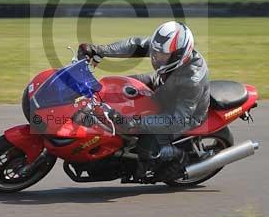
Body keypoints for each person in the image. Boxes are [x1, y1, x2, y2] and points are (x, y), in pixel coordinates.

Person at [77, 21, 210, 181]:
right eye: (155, 52)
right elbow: (135, 45)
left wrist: (134, 122)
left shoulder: (192, 80)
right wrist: (99, 50)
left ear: (178, 55)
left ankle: (178, 158)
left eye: (162, 55)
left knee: (146, 146)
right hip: (164, 87)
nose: (155, 56)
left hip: (184, 115)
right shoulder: (165, 49)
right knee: (117, 86)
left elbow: (178, 120)